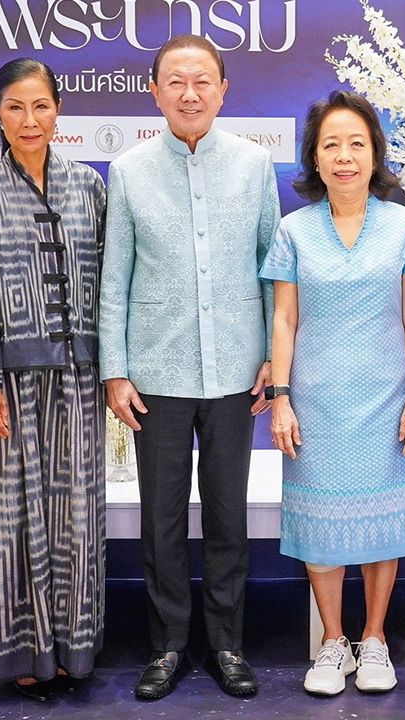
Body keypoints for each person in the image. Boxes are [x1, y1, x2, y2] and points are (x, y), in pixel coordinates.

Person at [98, 34, 279, 700]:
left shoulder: (253, 167)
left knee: (229, 516)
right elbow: (114, 278)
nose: (190, 92)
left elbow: (272, 269)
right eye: (175, 80)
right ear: (155, 91)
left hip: (236, 371)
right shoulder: (130, 170)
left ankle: (228, 643)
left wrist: (271, 357)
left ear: (224, 89)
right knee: (162, 519)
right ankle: (169, 645)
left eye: (203, 80)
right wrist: (116, 369)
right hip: (157, 375)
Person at [260, 91, 405, 697]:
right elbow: (284, 320)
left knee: (380, 526)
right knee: (322, 526)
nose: (344, 157)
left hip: (388, 397)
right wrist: (280, 397)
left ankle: (377, 638)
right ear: (314, 156)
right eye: (331, 145)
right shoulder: (293, 231)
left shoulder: (404, 225)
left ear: (374, 154)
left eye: (356, 144)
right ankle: (334, 642)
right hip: (315, 400)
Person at [0, 58, 108, 702]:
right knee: (3, 520)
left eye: (40, 106)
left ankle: (73, 650)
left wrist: (113, 367)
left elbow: (111, 282)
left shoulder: (90, 188)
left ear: (58, 110)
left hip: (77, 383)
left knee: (75, 515)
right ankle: (19, 650)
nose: (29, 120)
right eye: (15, 106)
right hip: (7, 390)